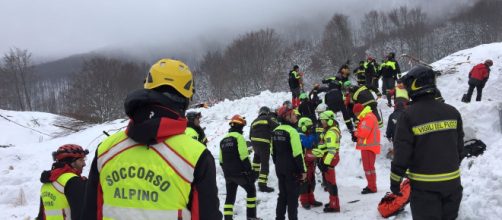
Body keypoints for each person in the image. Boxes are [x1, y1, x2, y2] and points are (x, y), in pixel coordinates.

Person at [81, 59, 222, 220]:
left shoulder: (106, 150)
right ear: (186, 99)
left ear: (147, 88)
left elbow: (90, 213)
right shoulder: (197, 157)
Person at [391, 65, 464, 219]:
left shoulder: (408, 115)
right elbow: (459, 149)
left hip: (425, 189)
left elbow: (402, 153)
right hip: (453, 186)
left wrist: (395, 181)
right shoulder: (452, 112)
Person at [220, 115, 261, 220]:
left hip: (228, 175)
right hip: (240, 174)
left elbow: (221, 160)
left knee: (230, 196)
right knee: (251, 190)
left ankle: (227, 218)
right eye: (242, 126)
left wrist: (227, 173)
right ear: (239, 126)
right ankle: (251, 217)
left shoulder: (223, 140)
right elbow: (244, 156)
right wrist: (250, 172)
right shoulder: (239, 138)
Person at [271, 105, 306, 220]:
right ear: (287, 117)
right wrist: (303, 170)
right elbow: (298, 153)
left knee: (282, 195)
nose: (296, 116)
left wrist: (279, 165)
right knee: (292, 197)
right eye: (293, 114)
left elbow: (273, 153)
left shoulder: (275, 131)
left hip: (280, 168)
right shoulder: (292, 131)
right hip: (292, 169)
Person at [37, 144, 88, 220]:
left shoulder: (47, 183)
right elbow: (83, 214)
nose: (84, 164)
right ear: (70, 162)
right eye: (81, 160)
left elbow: (41, 216)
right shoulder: (73, 181)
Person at [313, 110, 342, 212]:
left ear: (329, 121)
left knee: (331, 182)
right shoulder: (329, 130)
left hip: (330, 159)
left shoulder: (330, 133)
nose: (322, 122)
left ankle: (334, 206)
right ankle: (333, 201)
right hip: (327, 158)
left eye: (324, 120)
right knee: (329, 182)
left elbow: (331, 151)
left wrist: (325, 163)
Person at [249, 106, 280, 192]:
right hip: (264, 144)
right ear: (267, 112)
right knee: (264, 164)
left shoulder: (254, 121)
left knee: (256, 162)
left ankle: (253, 177)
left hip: (255, 144)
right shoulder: (268, 118)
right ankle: (262, 185)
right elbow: (277, 127)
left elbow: (250, 135)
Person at [353, 103, 381, 194]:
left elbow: (363, 133)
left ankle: (372, 187)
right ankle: (371, 185)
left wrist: (355, 133)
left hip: (368, 146)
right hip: (368, 146)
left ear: (358, 112)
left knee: (369, 168)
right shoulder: (367, 117)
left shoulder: (367, 118)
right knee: (369, 168)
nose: (355, 115)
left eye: (355, 113)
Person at [297, 117, 323, 210]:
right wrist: (313, 134)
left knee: (311, 180)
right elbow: (308, 143)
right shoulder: (299, 135)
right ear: (303, 127)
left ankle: (311, 199)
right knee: (304, 182)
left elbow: (315, 141)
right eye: (309, 127)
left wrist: (317, 134)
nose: (310, 129)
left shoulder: (307, 134)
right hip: (303, 162)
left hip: (310, 162)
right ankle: (304, 201)